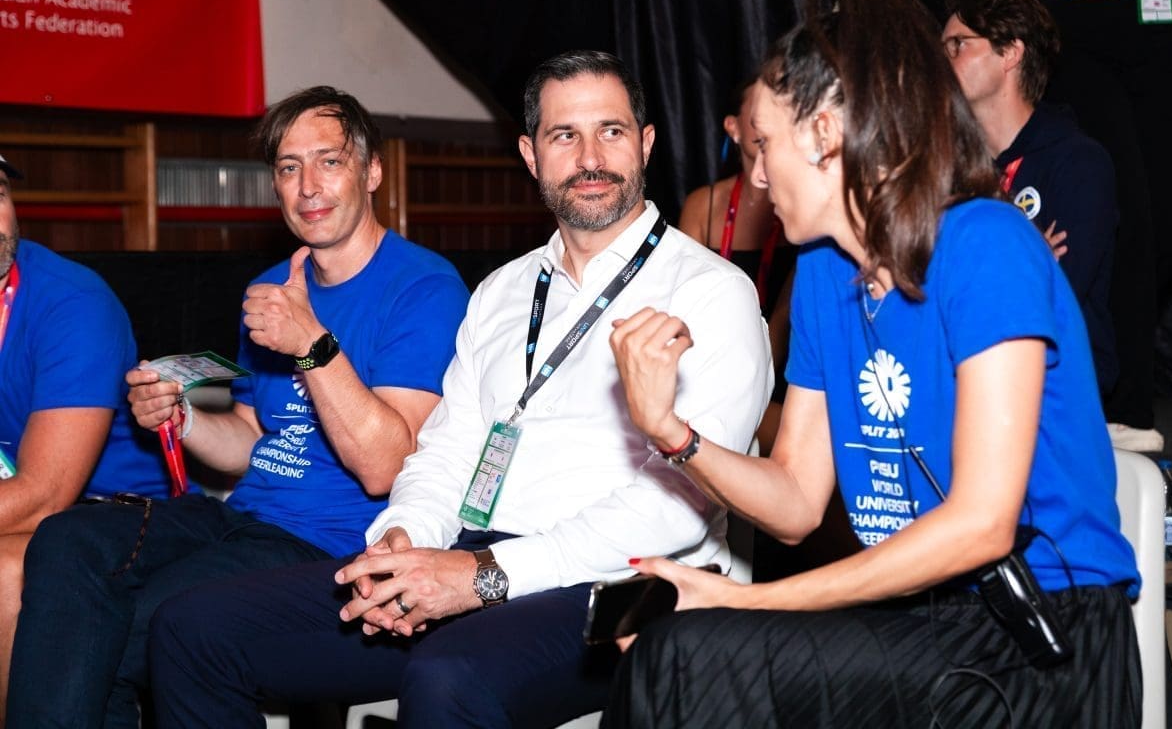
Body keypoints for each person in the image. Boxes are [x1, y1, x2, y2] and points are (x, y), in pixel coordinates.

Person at [145, 50, 772, 728]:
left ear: (645, 144)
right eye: (565, 135)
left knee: (449, 677)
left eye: (611, 131)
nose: (590, 157)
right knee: (193, 630)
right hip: (475, 558)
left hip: (636, 586)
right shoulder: (504, 291)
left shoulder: (711, 293)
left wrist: (483, 576)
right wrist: (403, 540)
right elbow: (446, 451)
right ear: (531, 155)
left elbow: (676, 507)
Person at [605, 0, 1140, 728]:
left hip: (1043, 633)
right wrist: (670, 432)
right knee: (679, 652)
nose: (757, 178)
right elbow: (795, 502)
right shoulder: (825, 275)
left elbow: (982, 524)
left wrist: (749, 600)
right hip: (924, 623)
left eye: (765, 146)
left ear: (826, 135)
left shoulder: (986, 244)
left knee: (689, 655)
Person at [6, 87, 469, 729]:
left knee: (122, 629)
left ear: (372, 172)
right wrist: (184, 418)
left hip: (331, 542)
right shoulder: (270, 287)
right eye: (288, 167)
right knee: (67, 540)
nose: (308, 186)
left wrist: (310, 342)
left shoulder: (425, 288)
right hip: (242, 519)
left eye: (329, 161)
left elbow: (385, 467)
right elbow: (255, 436)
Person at [996, 0, 1172, 452]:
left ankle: (1085, 371)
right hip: (1078, 24)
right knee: (1129, 214)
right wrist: (1007, 66)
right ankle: (1121, 405)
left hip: (1156, 18)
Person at [0, 153, 176, 720]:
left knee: (5, 571)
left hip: (125, 516)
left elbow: (44, 496)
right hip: (33, 504)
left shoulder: (72, 303)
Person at [942, 0, 1119, 397]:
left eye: (957, 45)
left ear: (1010, 53)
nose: (941, 59)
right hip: (966, 376)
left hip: (1060, 390)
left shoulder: (1078, 163)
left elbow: (1054, 299)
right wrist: (1027, 255)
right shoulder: (946, 166)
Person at [678, 79, 797, 455]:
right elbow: (687, 302)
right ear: (733, 127)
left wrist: (755, 376)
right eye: (756, 114)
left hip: (782, 367)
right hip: (715, 360)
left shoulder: (797, 202)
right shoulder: (703, 204)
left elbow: (785, 312)